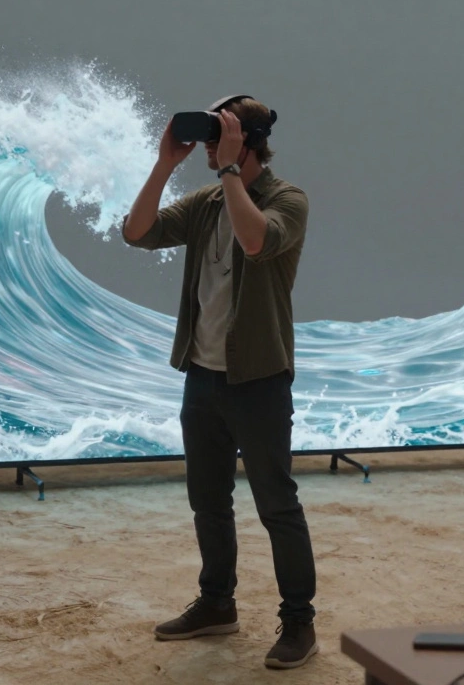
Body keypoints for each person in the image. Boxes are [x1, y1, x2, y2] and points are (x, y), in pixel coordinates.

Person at [120, 95, 318, 670]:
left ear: (248, 139)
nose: (209, 145)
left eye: (220, 134)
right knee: (208, 501)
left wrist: (230, 168)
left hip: (258, 379)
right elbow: (137, 232)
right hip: (202, 375)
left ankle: (299, 623)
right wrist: (164, 164)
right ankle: (216, 603)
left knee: (277, 505)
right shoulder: (207, 203)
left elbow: (256, 241)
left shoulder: (287, 200)